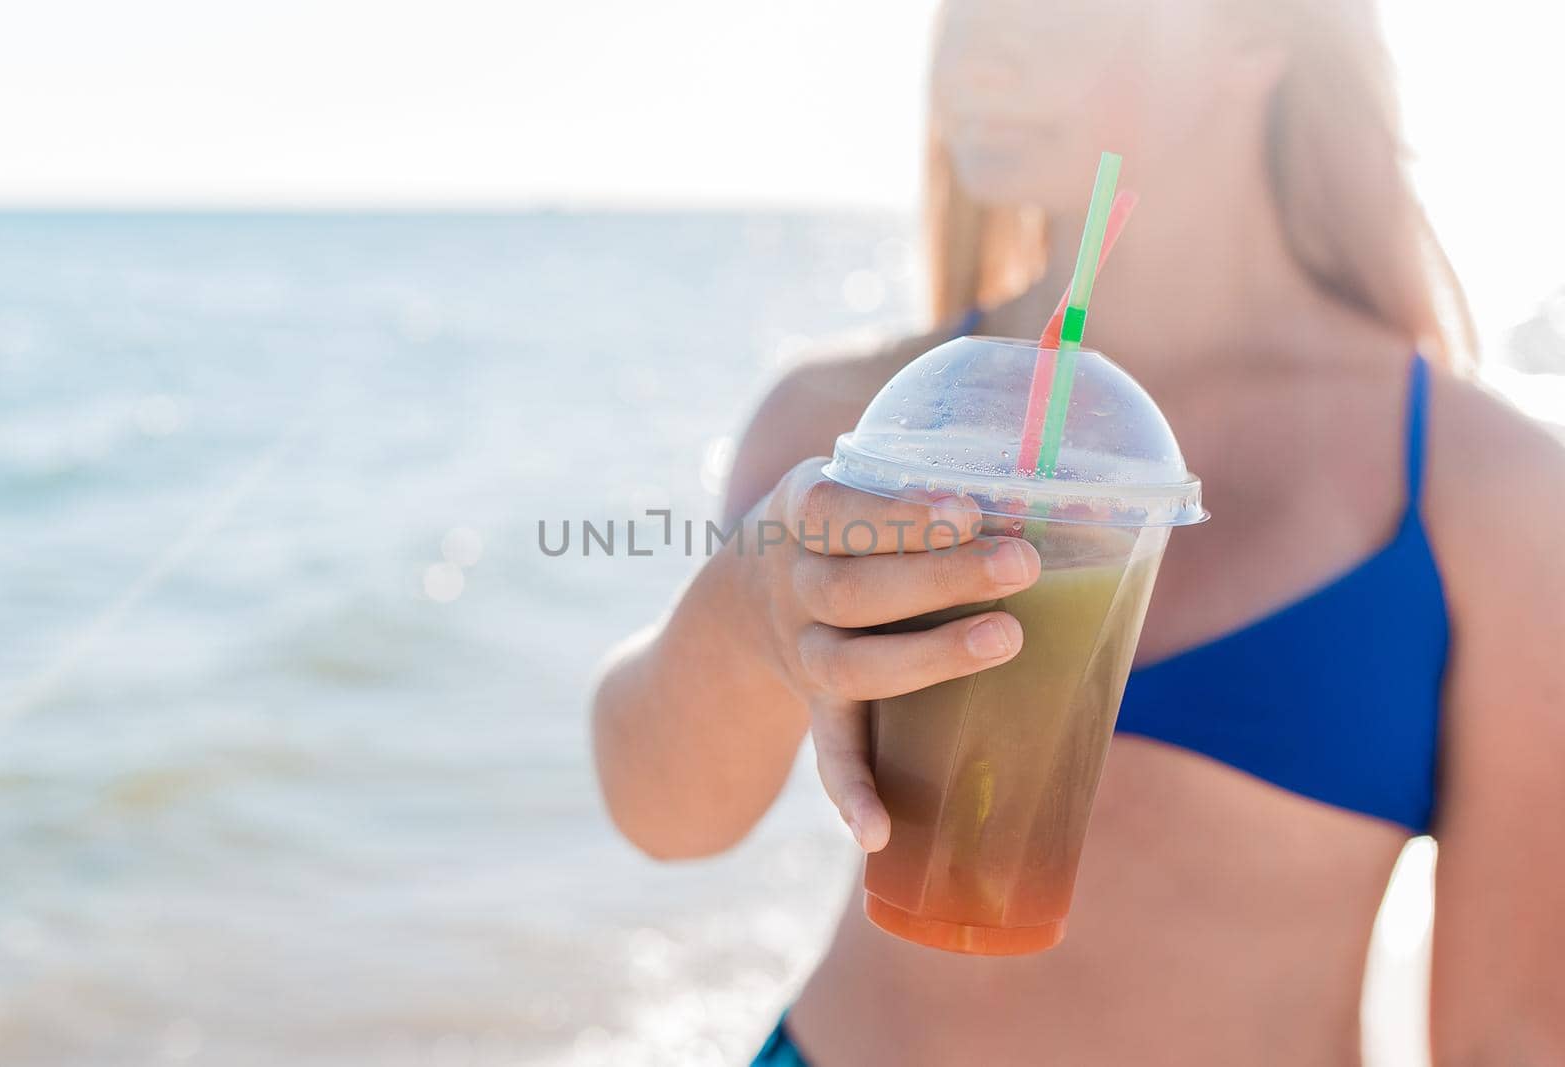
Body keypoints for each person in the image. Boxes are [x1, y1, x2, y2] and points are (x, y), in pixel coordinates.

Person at [591, 0, 1565, 1062]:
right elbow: (665, 817)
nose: (983, 51)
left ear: (1258, 34)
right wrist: (750, 608)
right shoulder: (860, 424)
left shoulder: (1484, 491)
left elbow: (1508, 1030)